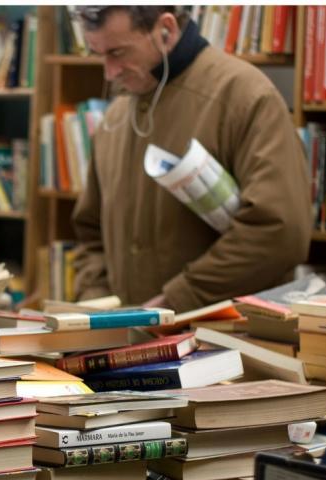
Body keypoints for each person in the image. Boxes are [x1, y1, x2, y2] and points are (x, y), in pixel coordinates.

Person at [71, 6, 312, 312]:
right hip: (125, 332)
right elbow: (91, 234)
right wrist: (95, 305)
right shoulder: (116, 116)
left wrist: (180, 298)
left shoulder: (245, 97)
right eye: (99, 54)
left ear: (166, 29)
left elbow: (278, 232)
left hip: (224, 333)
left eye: (118, 53)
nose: (110, 72)